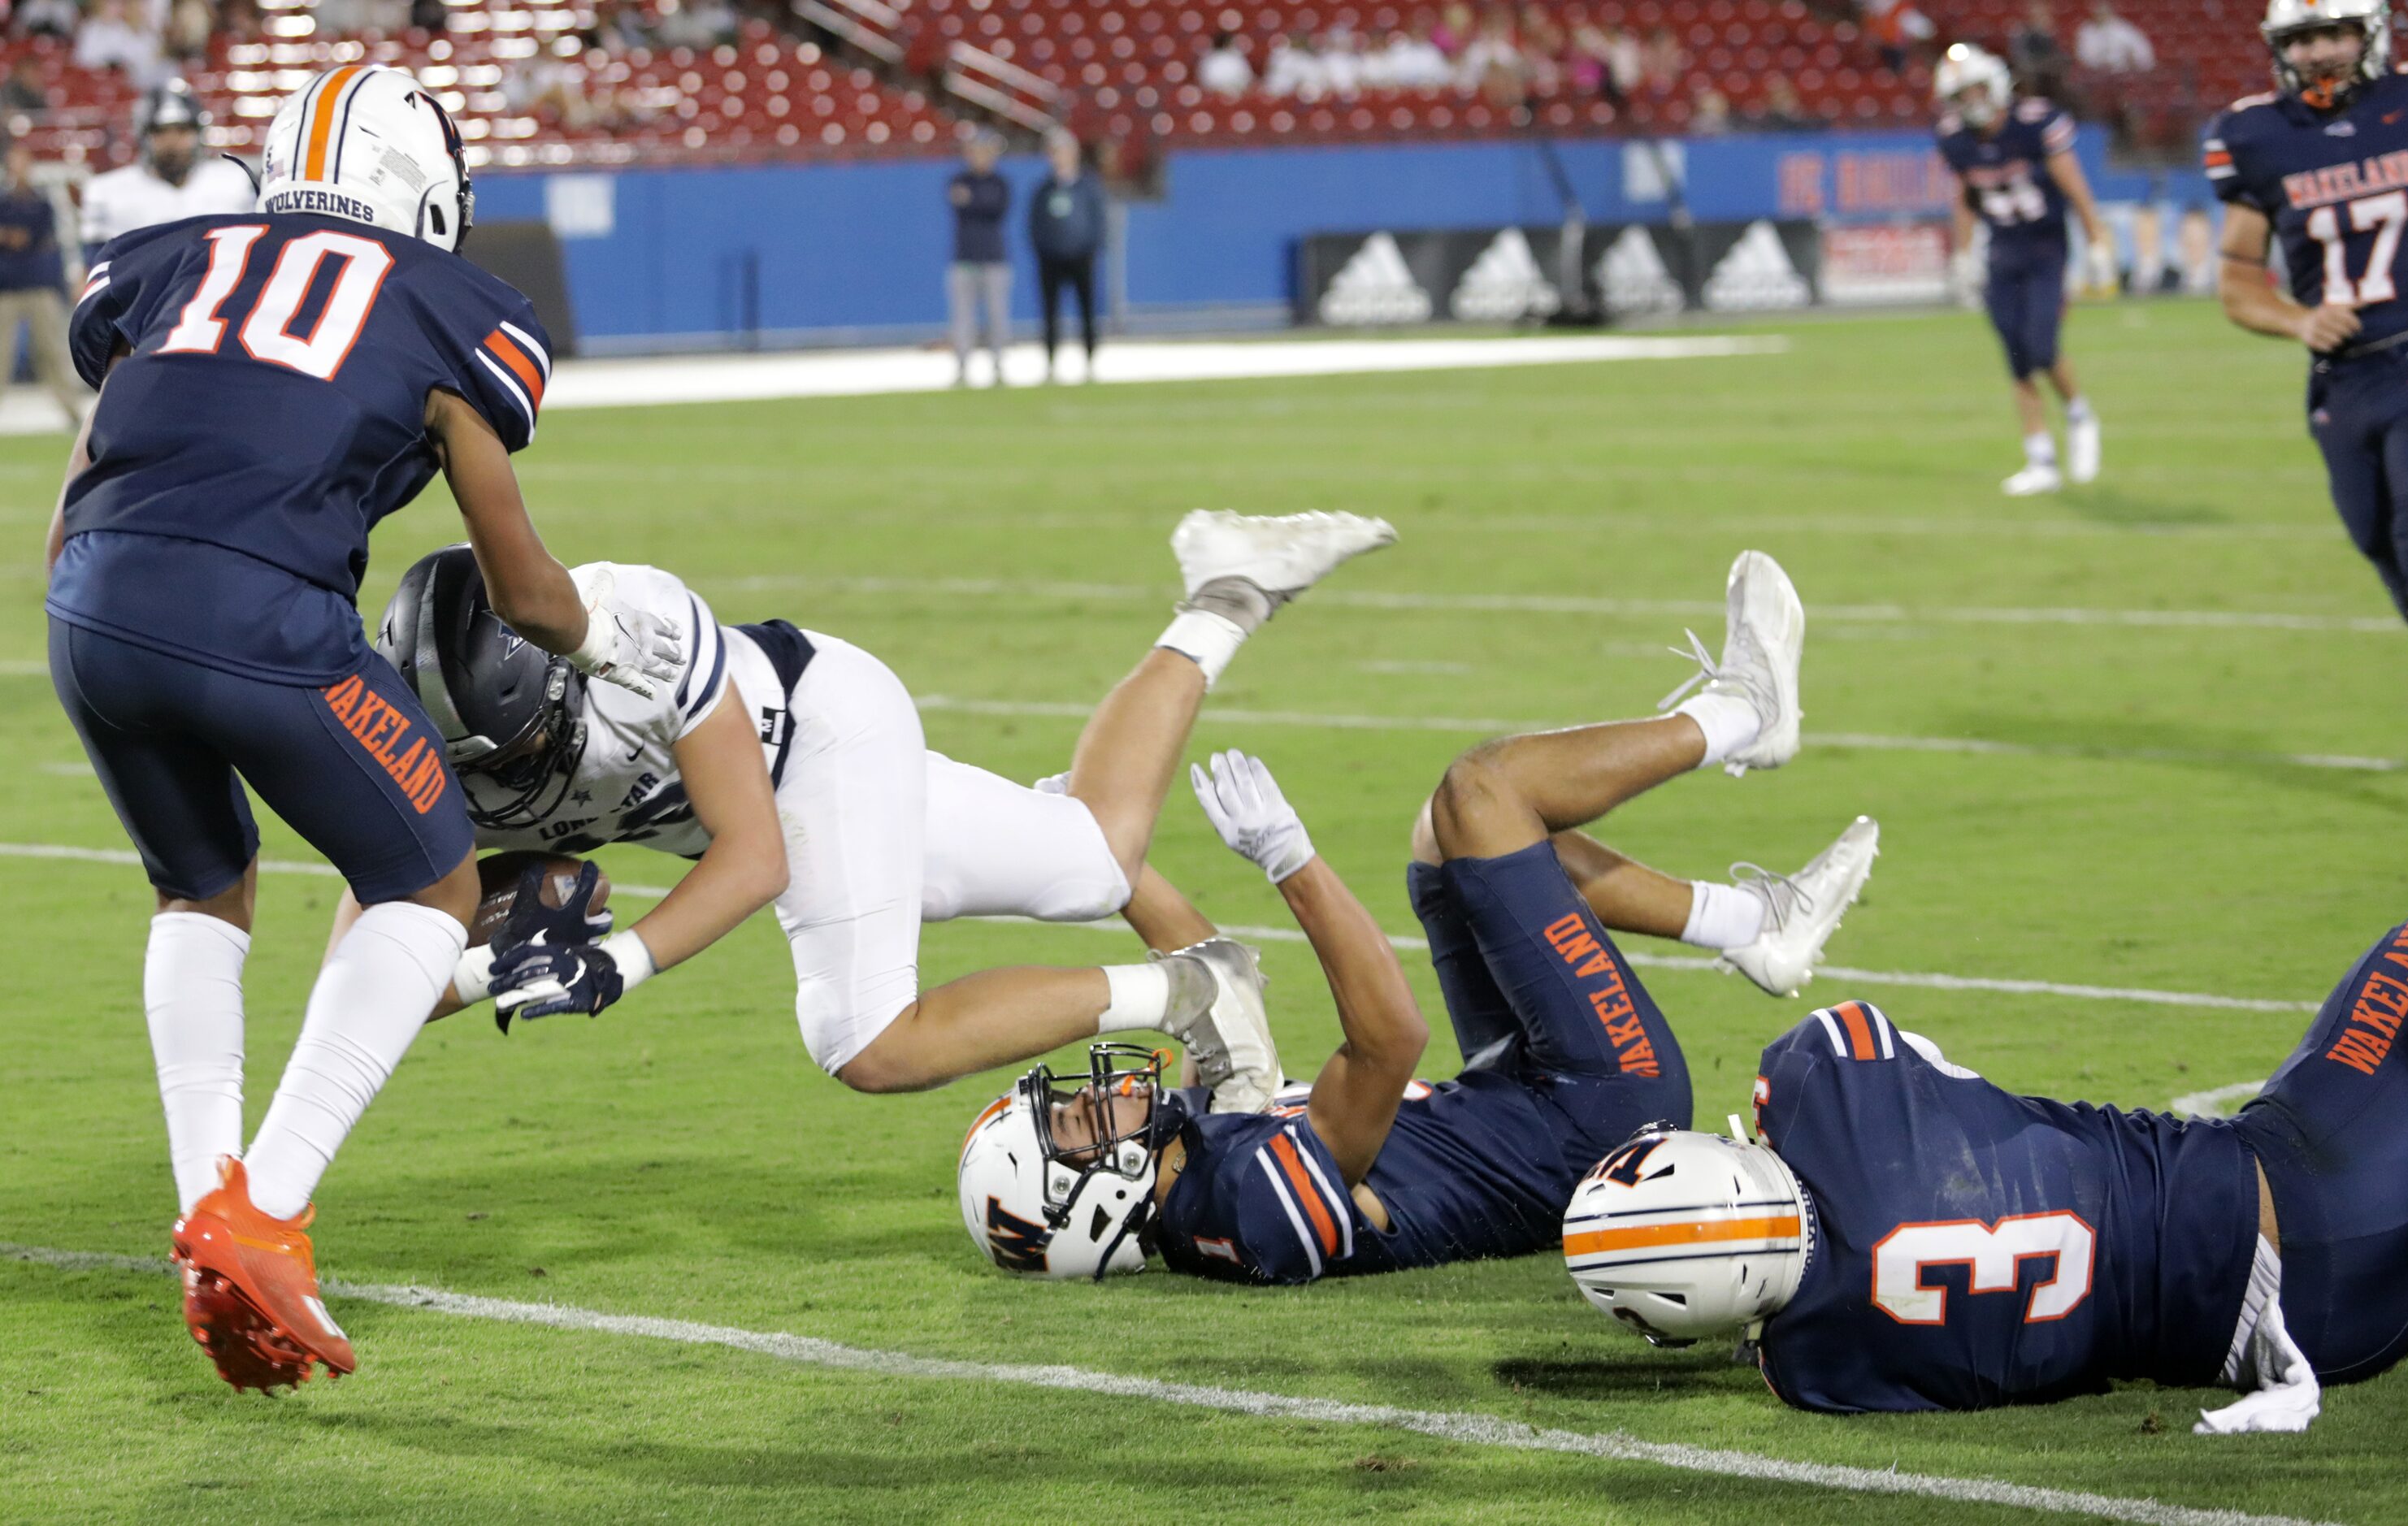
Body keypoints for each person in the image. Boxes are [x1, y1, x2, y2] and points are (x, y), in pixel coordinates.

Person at [45, 65, 683, 1394]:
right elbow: (520, 586)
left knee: (199, 888)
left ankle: (207, 1217)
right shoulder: (450, 307)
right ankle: (262, 1210)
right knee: (434, 878)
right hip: (254, 610)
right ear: (428, 191)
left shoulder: (176, 259)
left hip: (88, 603)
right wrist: (611, 647)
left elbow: (81, 484)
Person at [957, 553, 1882, 1284]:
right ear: (1084, 1207)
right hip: (1595, 1115)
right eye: (1078, 1122)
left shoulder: (1195, 1174)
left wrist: (1100, 859)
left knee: (1456, 853)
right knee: (1482, 794)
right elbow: (1389, 1041)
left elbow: (1212, 982)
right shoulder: (1241, 1208)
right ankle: (1738, 716)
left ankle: (1750, 923)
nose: (1097, 1093)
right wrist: (1292, 861)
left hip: (1511, 1090)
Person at [360, 511, 1398, 1105]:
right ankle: (1229, 592)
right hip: (783, 797)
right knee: (1094, 859)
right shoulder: (419, 755)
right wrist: (478, 964)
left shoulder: (636, 635)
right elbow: (371, 968)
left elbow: (755, 859)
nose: (511, 775)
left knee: (867, 1040)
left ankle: (1190, 996)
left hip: (817, 739)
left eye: (528, 743)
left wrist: (619, 960)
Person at [1567, 883, 2408, 1433]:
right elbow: (1892, 1055)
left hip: (2325, 1337)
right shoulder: (1819, 1080)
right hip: (2309, 1188)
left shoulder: (1819, 1372)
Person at [2206, 1, 2408, 689]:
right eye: (2300, 39)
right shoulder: (2255, 135)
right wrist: (2299, 321)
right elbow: (2239, 284)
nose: (2318, 52)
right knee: (2384, 549)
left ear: (2372, 33)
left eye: (2334, 32)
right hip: (2344, 381)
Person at [1933, 44, 2116, 496]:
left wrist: (2096, 237)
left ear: (1994, 83)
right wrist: (1963, 252)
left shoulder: (2035, 122)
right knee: (2016, 361)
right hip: (2003, 252)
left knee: (2041, 347)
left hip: (2046, 248)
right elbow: (1964, 197)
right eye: (1961, 95)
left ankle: (2078, 412)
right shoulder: (1955, 138)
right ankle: (2041, 460)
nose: (1971, 101)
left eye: (1975, 89)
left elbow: (2072, 182)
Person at [80, 81, 255, 259]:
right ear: (144, 136)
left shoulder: (234, 181)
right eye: (160, 131)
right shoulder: (108, 191)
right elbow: (93, 269)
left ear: (198, 133)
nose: (172, 141)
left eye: (182, 130)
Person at [0, 142, 89, 427]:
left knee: (52, 351)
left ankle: (71, 411)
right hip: (7, 287)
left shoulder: (41, 201)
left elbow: (33, 236)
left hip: (39, 285)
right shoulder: (7, 201)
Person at [1028, 128, 1106, 384]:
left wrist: (1091, 248)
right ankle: (1051, 363)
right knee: (1051, 314)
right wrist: (1043, 250)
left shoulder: (1087, 186)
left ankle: (1090, 361)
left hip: (1081, 257)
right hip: (1051, 258)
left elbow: (1098, 221)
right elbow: (1035, 223)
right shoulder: (1044, 189)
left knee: (1087, 312)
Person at [945, 131, 1011, 388]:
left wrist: (972, 201)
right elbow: (962, 206)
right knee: (963, 317)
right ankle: (962, 366)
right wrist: (975, 203)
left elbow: (994, 209)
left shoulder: (999, 183)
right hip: (965, 258)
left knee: (997, 315)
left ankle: (998, 364)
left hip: (993, 258)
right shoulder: (958, 180)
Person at [2074, 2, 2154, 76]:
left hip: (2124, 73)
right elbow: (2083, 56)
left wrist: (2133, 59)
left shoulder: (2124, 28)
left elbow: (2141, 52)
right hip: (2096, 75)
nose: (2102, 16)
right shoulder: (2086, 31)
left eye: (2104, 13)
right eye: (2099, 14)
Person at [1198, 31, 1253, 96]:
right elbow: (1206, 81)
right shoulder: (1209, 60)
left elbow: (1246, 78)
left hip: (1236, 93)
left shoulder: (1237, 58)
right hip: (1214, 94)